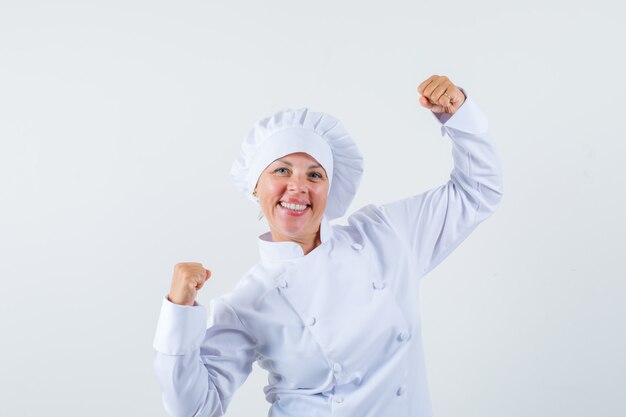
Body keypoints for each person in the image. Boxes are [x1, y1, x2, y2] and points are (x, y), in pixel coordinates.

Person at [153, 74, 503, 417]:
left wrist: (459, 116)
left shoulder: (385, 237)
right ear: (255, 187)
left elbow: (477, 193)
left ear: (330, 189)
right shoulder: (248, 302)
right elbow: (196, 410)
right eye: (281, 170)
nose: (297, 186)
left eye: (315, 175)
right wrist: (180, 313)